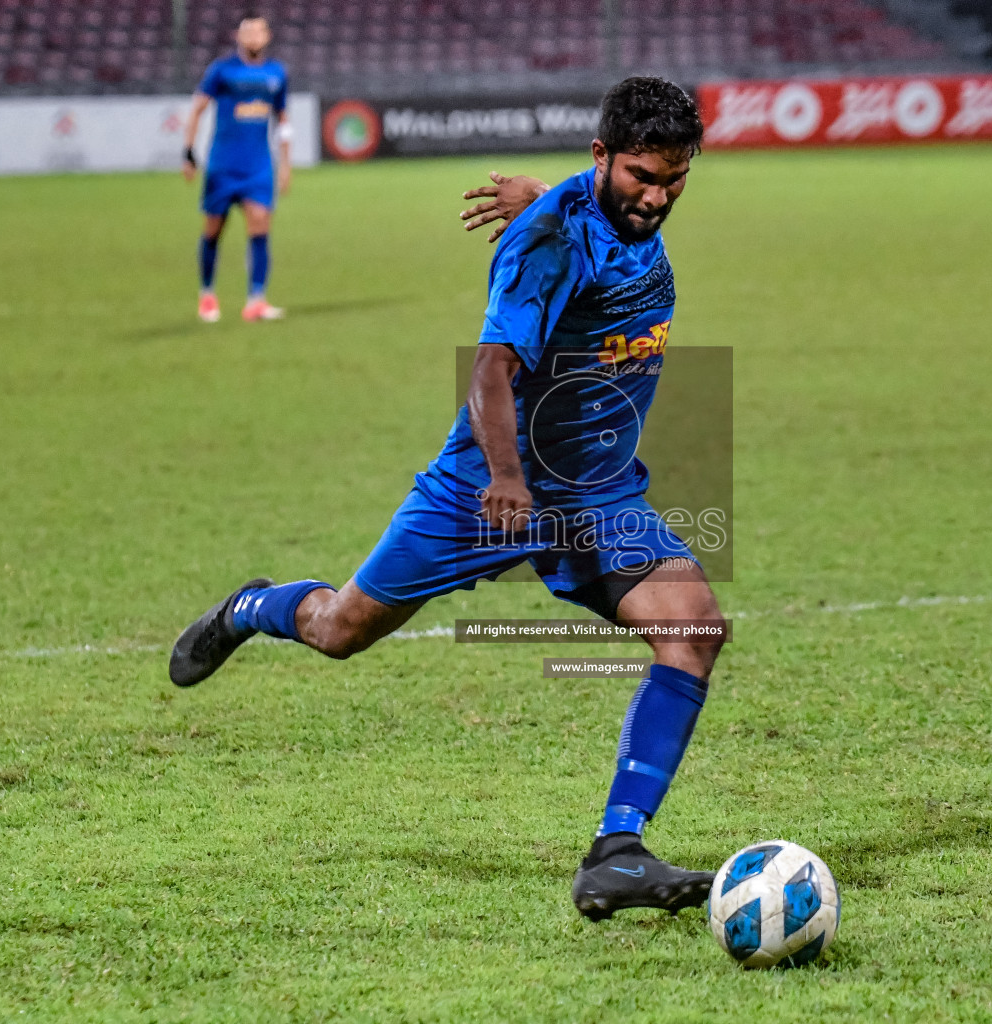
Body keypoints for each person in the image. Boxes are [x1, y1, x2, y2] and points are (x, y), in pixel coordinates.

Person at [168, 78, 725, 921]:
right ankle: (252, 607)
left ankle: (616, 852)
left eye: (674, 178)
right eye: (642, 175)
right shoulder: (544, 247)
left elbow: (592, 219)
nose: (657, 196)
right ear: (601, 157)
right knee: (340, 629)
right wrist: (506, 479)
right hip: (486, 488)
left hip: (599, 491)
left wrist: (541, 194)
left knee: (694, 631)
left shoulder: (606, 207)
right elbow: (491, 371)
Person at [182, 12, 291, 324]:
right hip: (223, 165)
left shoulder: (277, 73)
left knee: (260, 224)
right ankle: (207, 294)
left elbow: (283, 122)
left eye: (259, 32)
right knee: (214, 229)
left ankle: (256, 300)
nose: (254, 38)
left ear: (267, 37)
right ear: (239, 37)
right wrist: (188, 152)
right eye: (248, 32)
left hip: (258, 166)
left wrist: (285, 164)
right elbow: (198, 109)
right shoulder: (222, 70)